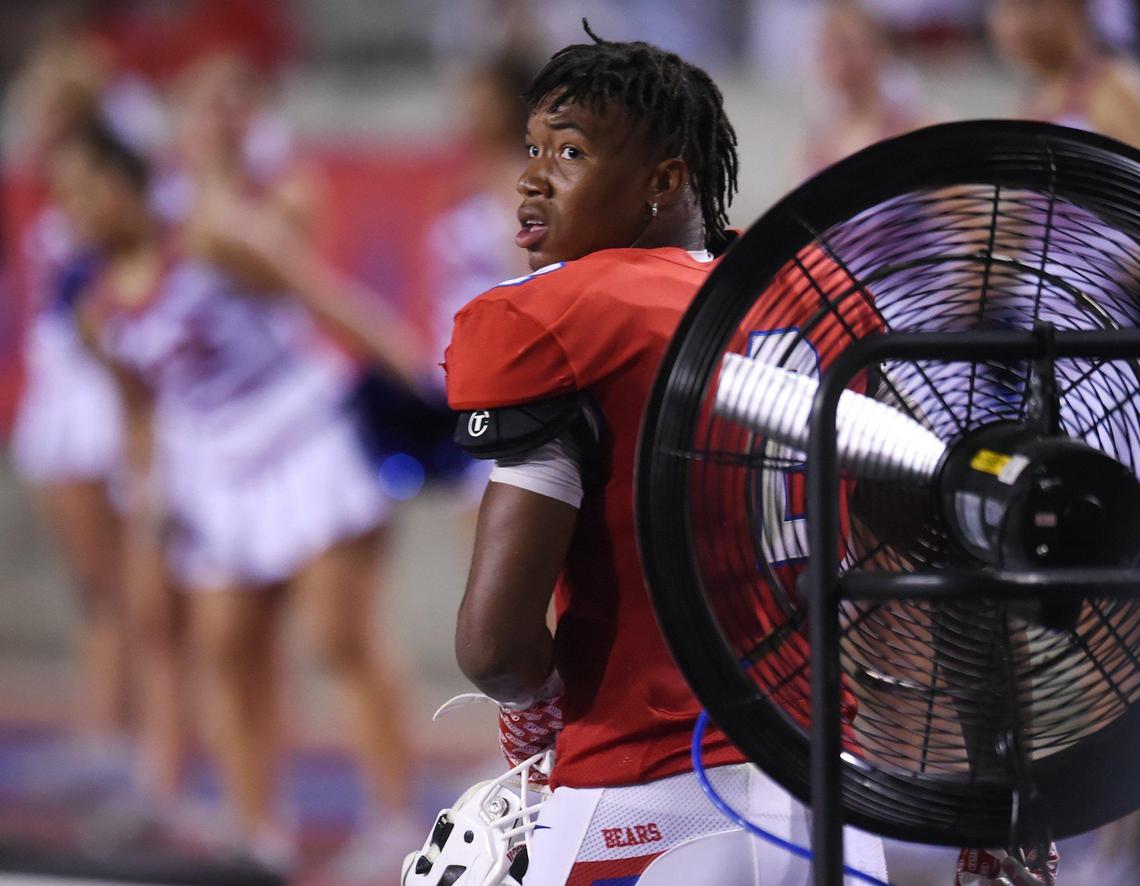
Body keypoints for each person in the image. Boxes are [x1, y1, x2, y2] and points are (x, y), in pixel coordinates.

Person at [432, 26, 889, 884]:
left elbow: (494, 647)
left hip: (651, 795)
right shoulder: (818, 296)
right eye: (533, 148)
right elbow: (910, 551)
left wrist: (532, 708)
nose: (532, 176)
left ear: (665, 180)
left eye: (570, 152)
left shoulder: (562, 314)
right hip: (835, 796)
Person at [51, 118, 417, 873]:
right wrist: (149, 500)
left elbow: (327, 300)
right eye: (65, 197)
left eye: (87, 191)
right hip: (213, 479)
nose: (75, 212)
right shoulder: (95, 312)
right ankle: (259, 834)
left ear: (126, 184)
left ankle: (396, 821)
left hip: (304, 443)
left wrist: (425, 390)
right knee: (226, 650)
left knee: (338, 637)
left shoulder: (209, 240)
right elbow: (140, 411)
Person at [803, 1, 938, 177]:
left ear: (881, 50)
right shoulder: (817, 143)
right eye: (827, 47)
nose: (838, 60)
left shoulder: (919, 129)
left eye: (847, 46)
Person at [987, 0, 1140, 147]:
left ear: (1077, 8)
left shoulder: (1111, 91)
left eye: (1035, 4)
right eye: (1007, 5)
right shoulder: (1031, 101)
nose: (1017, 23)